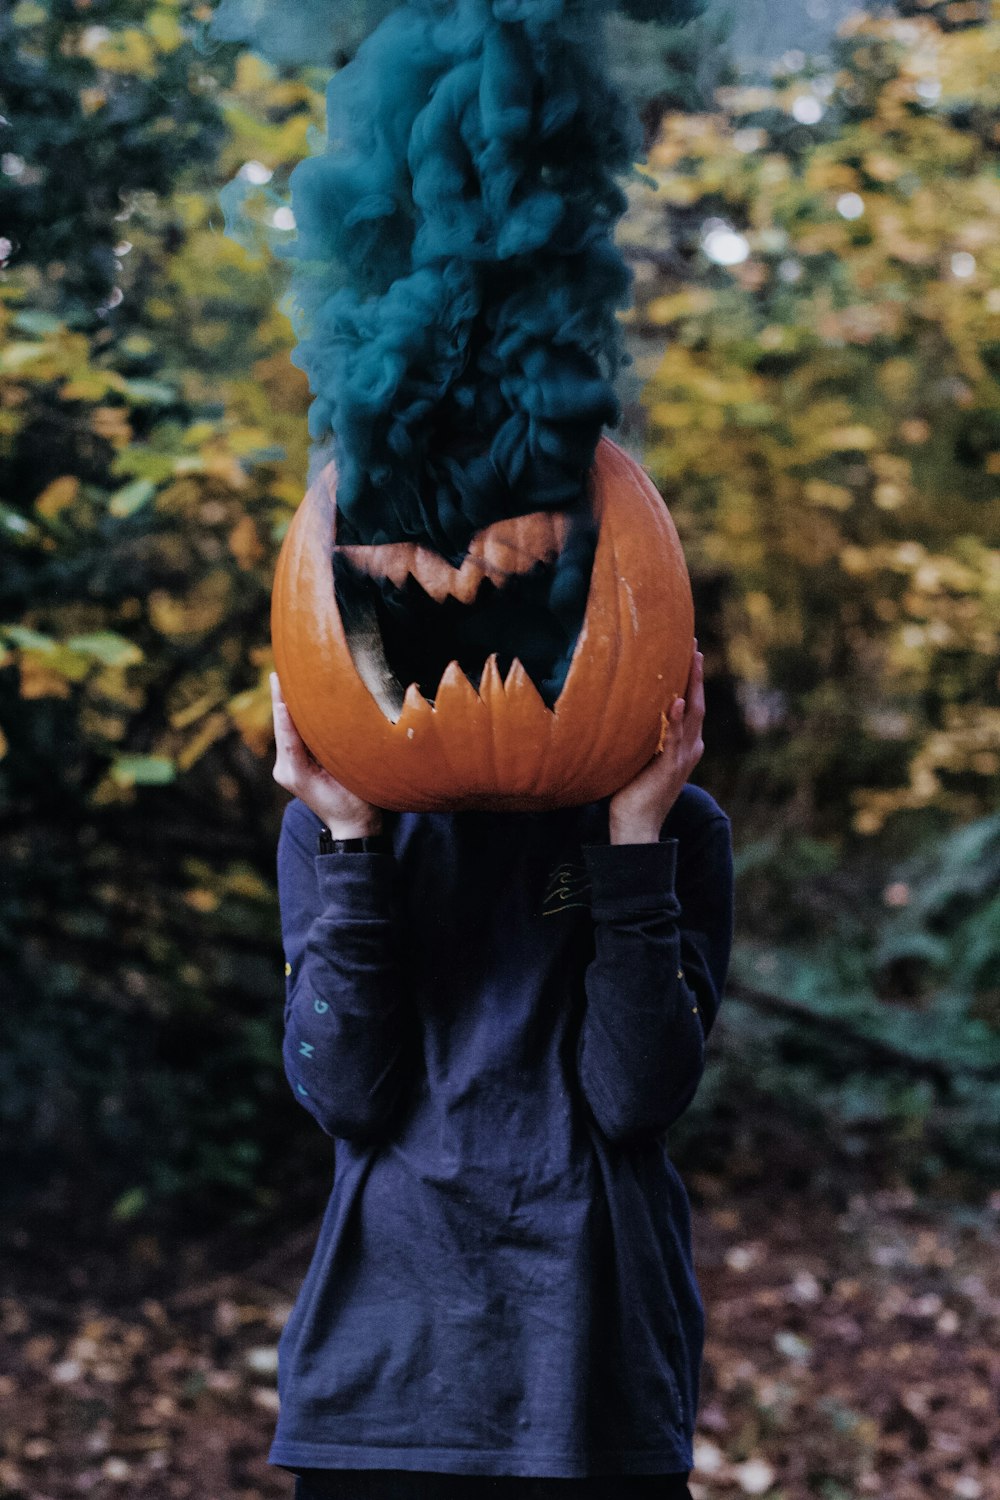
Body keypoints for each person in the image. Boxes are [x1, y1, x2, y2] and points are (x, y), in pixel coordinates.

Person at [267, 640, 734, 1500]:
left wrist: (635, 842)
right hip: (385, 1388)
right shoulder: (338, 821)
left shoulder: (679, 826)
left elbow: (635, 1099)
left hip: (596, 1383)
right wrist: (352, 841)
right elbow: (343, 1094)